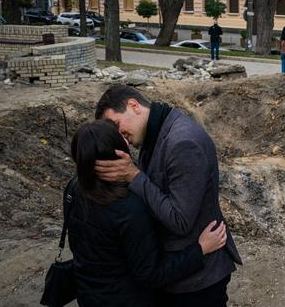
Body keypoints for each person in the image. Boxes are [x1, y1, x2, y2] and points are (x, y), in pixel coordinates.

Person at [93, 85, 242, 307]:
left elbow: (180, 221)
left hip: (197, 282)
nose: (118, 135)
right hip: (174, 273)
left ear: (133, 106)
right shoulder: (154, 133)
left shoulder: (183, 142)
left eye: (116, 125)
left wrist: (133, 175)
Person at [68, 119, 227, 307]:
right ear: (116, 153)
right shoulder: (128, 208)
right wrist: (200, 249)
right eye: (119, 137)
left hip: (89, 295)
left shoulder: (73, 189)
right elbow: (151, 274)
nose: (126, 139)